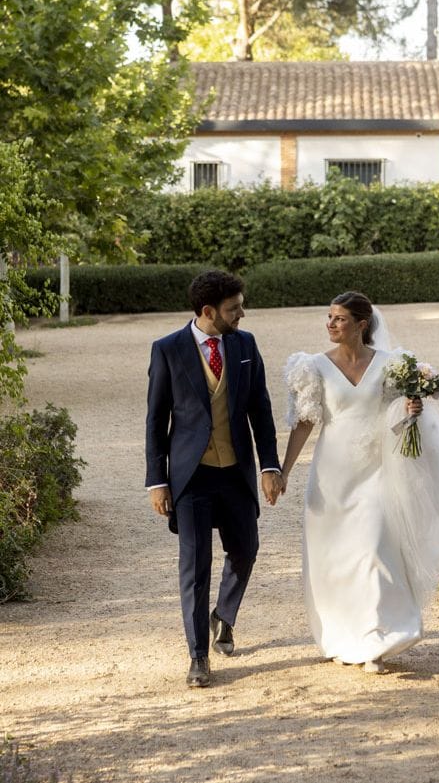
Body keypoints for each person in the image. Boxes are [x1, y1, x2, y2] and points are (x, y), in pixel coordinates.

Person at [281, 291, 439, 674]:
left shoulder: (392, 366)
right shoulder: (312, 367)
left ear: (362, 325)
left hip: (377, 472)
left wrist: (410, 413)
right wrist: (283, 471)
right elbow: (305, 422)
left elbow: (394, 424)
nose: (331, 324)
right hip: (332, 476)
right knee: (334, 558)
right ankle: (344, 635)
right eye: (329, 317)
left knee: (375, 549)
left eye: (340, 319)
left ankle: (377, 641)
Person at [145, 270, 282, 688]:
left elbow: (260, 407)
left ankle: (223, 613)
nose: (242, 313)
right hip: (191, 477)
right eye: (234, 308)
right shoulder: (167, 349)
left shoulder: (245, 344)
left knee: (246, 550)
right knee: (194, 565)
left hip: (236, 472)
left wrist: (270, 467)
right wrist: (157, 480)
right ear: (209, 312)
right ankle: (198, 658)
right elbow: (156, 418)